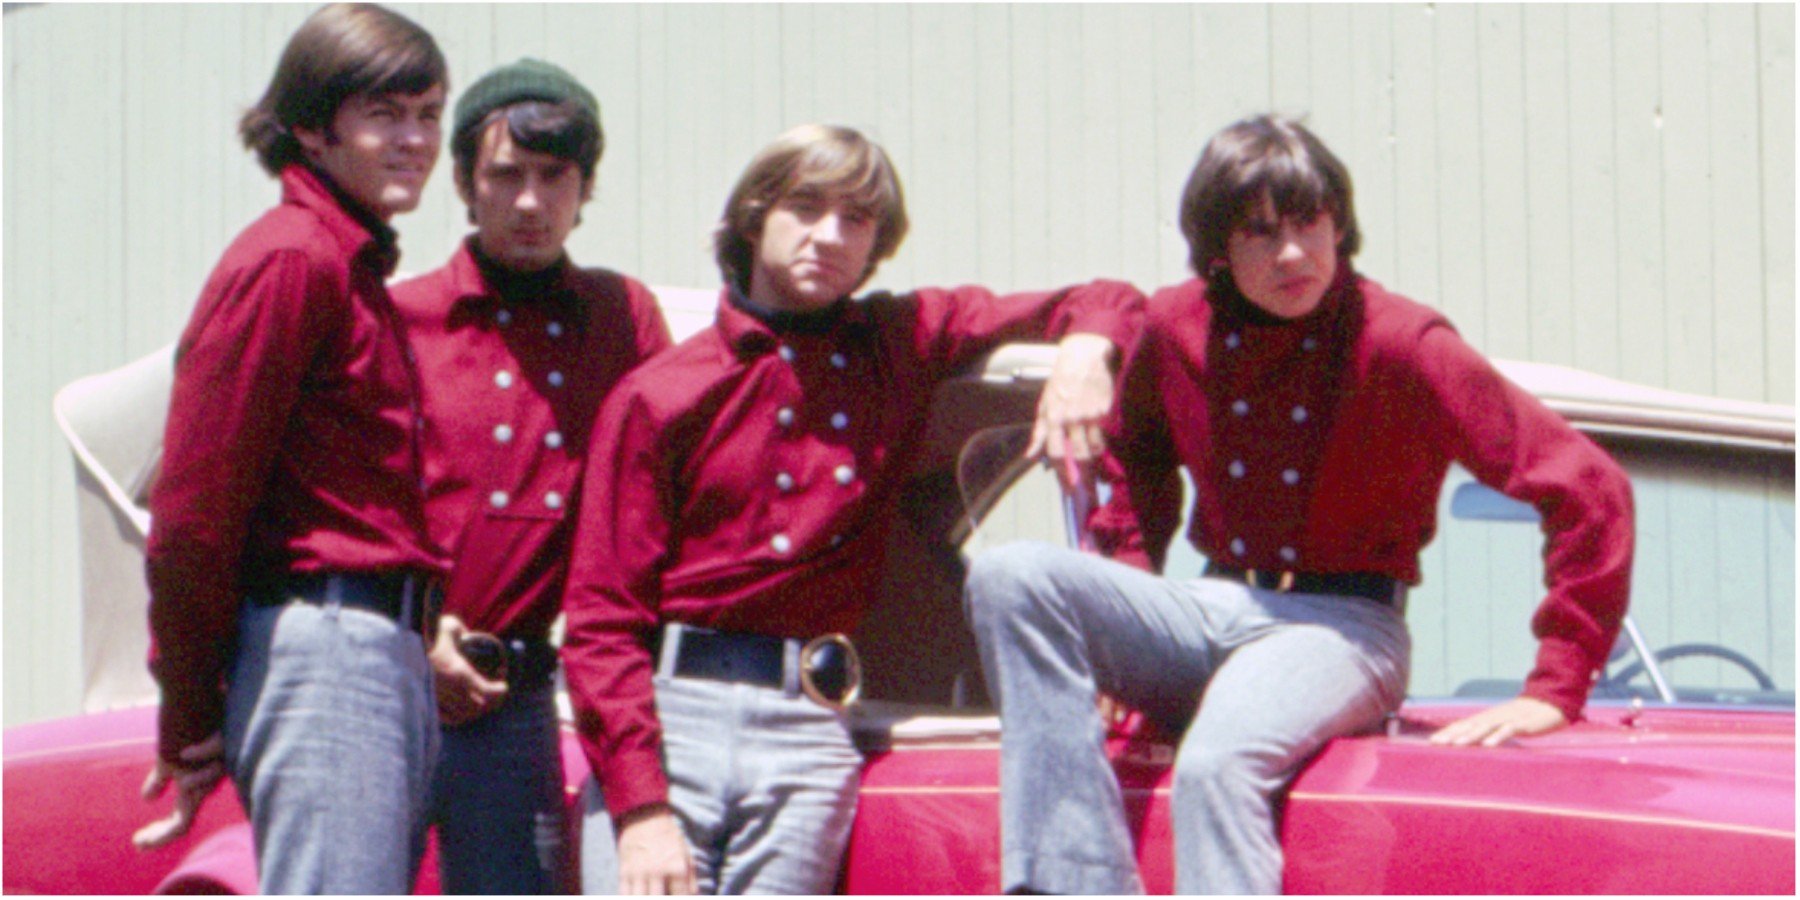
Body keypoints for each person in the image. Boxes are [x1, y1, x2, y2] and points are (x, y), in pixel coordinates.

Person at [965, 114, 1635, 894]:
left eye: (1310, 223)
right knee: (1010, 575)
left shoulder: (1402, 343)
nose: (1294, 254)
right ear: (1217, 248)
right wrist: (1133, 582)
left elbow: (1589, 487)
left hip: (1347, 628)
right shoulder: (1178, 326)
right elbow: (1132, 451)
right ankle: (1071, 885)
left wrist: (1554, 688)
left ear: (1340, 223)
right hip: (1209, 605)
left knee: (1216, 763)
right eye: (1260, 233)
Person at [560, 123, 1145, 895]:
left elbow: (1108, 298)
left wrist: (1084, 352)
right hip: (667, 720)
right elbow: (602, 617)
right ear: (754, 215)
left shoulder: (897, 344)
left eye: (856, 220)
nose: (829, 237)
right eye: (806, 208)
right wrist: (639, 809)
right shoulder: (661, 393)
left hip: (812, 731)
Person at [134, 4, 451, 893]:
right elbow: (194, 515)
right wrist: (189, 707)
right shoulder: (292, 261)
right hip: (328, 649)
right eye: (386, 114)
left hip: (377, 648)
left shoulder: (347, 266)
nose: (416, 139)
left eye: (430, 114)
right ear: (312, 127)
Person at [391, 59, 674, 894]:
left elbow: (668, 496)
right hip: (391, 678)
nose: (528, 202)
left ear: (585, 189)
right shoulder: (395, 318)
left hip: (516, 702)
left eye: (555, 177)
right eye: (505, 175)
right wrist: (418, 636)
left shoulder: (624, 320)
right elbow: (350, 500)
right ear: (463, 184)